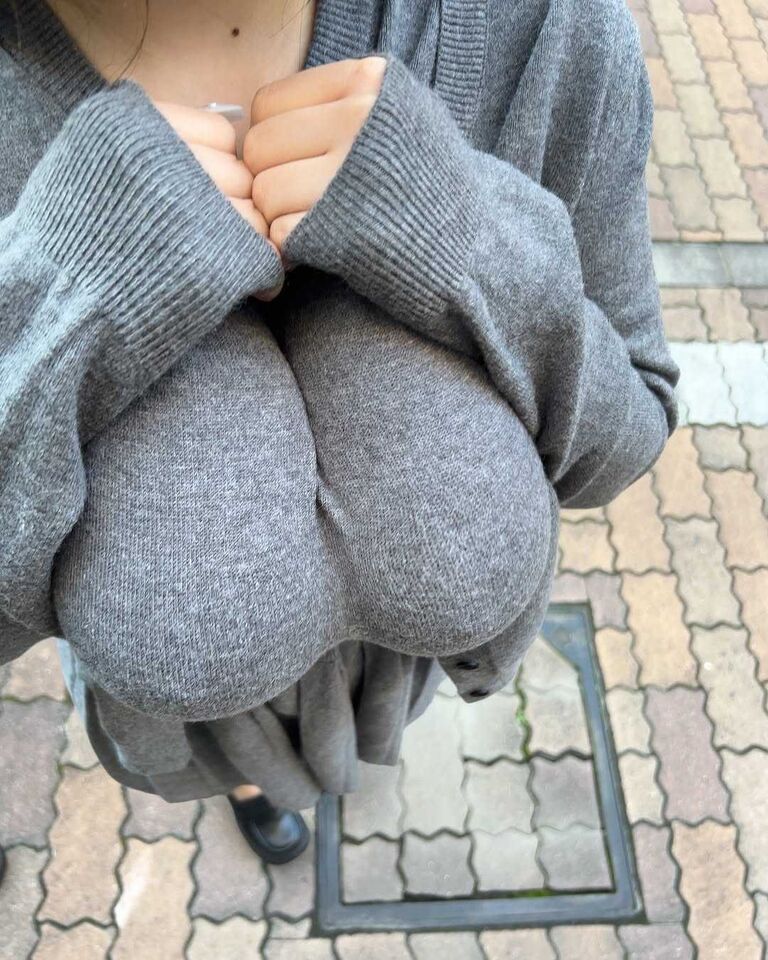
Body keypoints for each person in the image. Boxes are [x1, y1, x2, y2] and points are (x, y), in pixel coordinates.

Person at [0, 0, 680, 867]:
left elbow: (629, 427)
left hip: (399, 688)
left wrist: (462, 237)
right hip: (180, 737)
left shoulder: (544, 26)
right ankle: (248, 785)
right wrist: (59, 295)